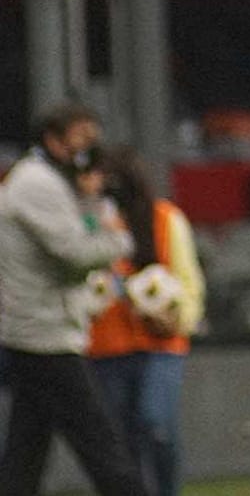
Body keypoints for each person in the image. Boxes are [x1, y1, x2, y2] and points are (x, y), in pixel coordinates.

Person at [0, 102, 149, 496]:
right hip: (45, 334)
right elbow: (77, 254)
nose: (89, 150)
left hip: (36, 329)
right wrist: (117, 234)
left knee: (25, 453)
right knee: (103, 446)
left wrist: (87, 199)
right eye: (81, 139)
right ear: (52, 139)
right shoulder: (37, 184)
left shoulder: (46, 179)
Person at [88, 145, 206, 496]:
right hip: (105, 345)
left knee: (156, 424)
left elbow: (188, 281)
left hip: (160, 344)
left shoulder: (165, 218)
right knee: (120, 438)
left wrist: (178, 317)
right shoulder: (90, 223)